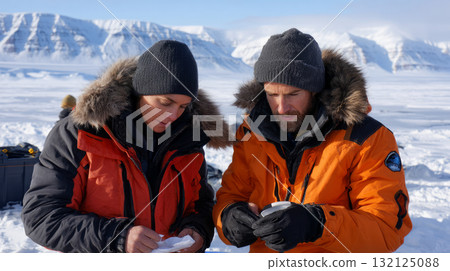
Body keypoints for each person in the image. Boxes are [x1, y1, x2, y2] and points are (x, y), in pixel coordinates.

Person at [213, 28, 412, 253]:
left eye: (292, 94)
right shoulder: (251, 134)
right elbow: (231, 195)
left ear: (315, 90)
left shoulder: (366, 139)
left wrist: (316, 225)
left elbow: (386, 231)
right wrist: (229, 217)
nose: (281, 108)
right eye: (272, 94)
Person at [22, 40, 229, 253]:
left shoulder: (188, 140)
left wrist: (197, 230)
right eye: (165, 103)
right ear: (141, 91)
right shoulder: (80, 134)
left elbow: (200, 205)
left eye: (183, 106)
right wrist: (116, 238)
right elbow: (41, 217)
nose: (173, 115)